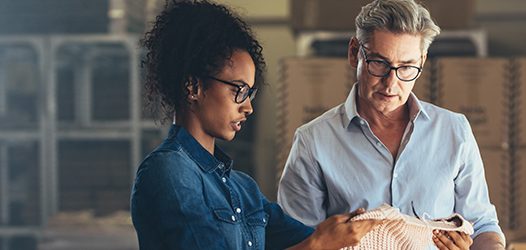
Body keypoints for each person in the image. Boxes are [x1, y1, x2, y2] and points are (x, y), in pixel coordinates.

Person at [130, 1, 383, 249]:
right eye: (239, 90)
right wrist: (317, 245)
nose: (248, 107)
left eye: (250, 93)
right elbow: (315, 243)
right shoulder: (169, 172)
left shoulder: (243, 189)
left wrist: (360, 227)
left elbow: (314, 237)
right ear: (193, 87)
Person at [277, 0, 506, 249]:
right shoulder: (313, 142)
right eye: (379, 63)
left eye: (407, 67)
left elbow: (483, 227)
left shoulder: (454, 131)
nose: (391, 83)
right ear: (354, 53)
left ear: (422, 60)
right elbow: (295, 241)